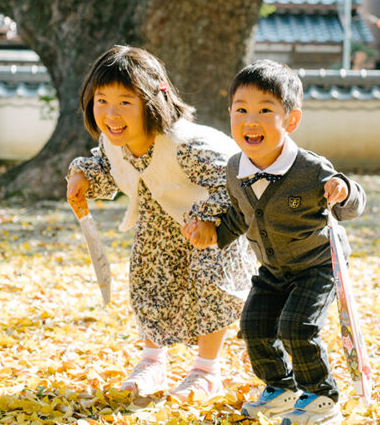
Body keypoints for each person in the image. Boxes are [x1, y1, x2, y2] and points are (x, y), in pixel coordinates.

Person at [66, 45, 255, 402]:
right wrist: (85, 177)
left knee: (209, 291)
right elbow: (111, 169)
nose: (111, 113)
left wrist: (206, 220)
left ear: (153, 101)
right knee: (149, 286)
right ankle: (153, 361)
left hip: (211, 231)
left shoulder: (185, 145)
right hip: (157, 229)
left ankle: (206, 369)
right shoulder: (114, 142)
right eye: (101, 100)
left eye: (125, 102)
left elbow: (235, 180)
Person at [184, 60, 366, 424]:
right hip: (272, 268)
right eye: (241, 110)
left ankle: (321, 396)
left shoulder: (311, 169)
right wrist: (214, 233)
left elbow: (352, 206)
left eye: (265, 110)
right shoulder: (236, 168)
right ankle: (281, 388)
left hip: (318, 266)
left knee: (297, 327)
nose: (251, 120)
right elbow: (241, 215)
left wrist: (344, 191)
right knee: (254, 326)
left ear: (291, 120)